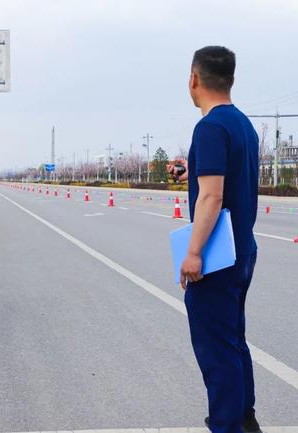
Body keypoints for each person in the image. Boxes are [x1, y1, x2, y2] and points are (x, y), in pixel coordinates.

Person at [181, 46, 261, 433]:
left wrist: (193, 252)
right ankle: (245, 417)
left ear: (195, 79)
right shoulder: (242, 123)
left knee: (216, 349)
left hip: (218, 256)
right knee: (233, 339)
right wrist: (190, 168)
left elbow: (211, 196)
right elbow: (226, 178)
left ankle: (228, 426)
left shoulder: (209, 127)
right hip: (244, 251)